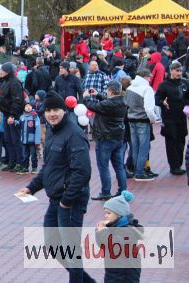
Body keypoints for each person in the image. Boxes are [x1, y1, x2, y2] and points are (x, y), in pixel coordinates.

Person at [18, 91, 92, 282]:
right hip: (56, 199)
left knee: (71, 250)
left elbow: (82, 172)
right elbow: (49, 166)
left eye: (56, 110)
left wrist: (67, 201)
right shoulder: (52, 131)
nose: (52, 114)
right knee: (52, 245)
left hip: (70, 201)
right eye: (48, 110)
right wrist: (31, 187)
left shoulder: (74, 134)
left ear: (64, 110)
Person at [83, 80, 127, 200]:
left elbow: (93, 106)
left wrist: (86, 97)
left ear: (111, 91)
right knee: (119, 166)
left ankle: (106, 191)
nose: (106, 92)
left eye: (107, 90)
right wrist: (98, 95)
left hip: (105, 138)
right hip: (118, 137)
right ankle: (123, 190)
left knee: (103, 166)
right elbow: (108, 103)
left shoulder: (108, 104)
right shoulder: (123, 101)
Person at [96, 191, 143, 282]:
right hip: (113, 270)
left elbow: (115, 247)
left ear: (119, 214)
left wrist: (103, 232)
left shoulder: (127, 230)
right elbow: (102, 244)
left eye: (109, 213)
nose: (105, 216)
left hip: (126, 273)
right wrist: (99, 231)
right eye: (105, 213)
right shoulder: (112, 226)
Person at [154, 61, 189, 175]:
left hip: (182, 117)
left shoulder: (185, 83)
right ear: (171, 71)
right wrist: (162, 102)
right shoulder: (164, 85)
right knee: (171, 142)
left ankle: (179, 164)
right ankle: (174, 167)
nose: (180, 73)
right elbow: (157, 99)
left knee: (181, 140)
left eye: (181, 71)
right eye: (177, 71)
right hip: (169, 118)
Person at [0, 62, 25, 172]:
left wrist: (12, 115)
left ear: (8, 72)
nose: (0, 72)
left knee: (16, 139)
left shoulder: (14, 83)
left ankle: (20, 162)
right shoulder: (5, 81)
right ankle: (12, 161)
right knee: (8, 139)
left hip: (13, 115)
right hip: (6, 113)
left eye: (3, 70)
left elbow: (17, 100)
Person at [17, 103, 40, 174]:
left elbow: (37, 128)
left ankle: (34, 168)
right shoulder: (22, 117)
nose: (28, 107)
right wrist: (14, 122)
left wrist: (37, 141)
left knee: (33, 155)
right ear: (24, 108)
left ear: (32, 107)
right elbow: (19, 125)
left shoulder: (35, 116)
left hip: (32, 140)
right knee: (25, 155)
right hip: (24, 140)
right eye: (26, 106)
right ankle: (25, 168)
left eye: (29, 106)